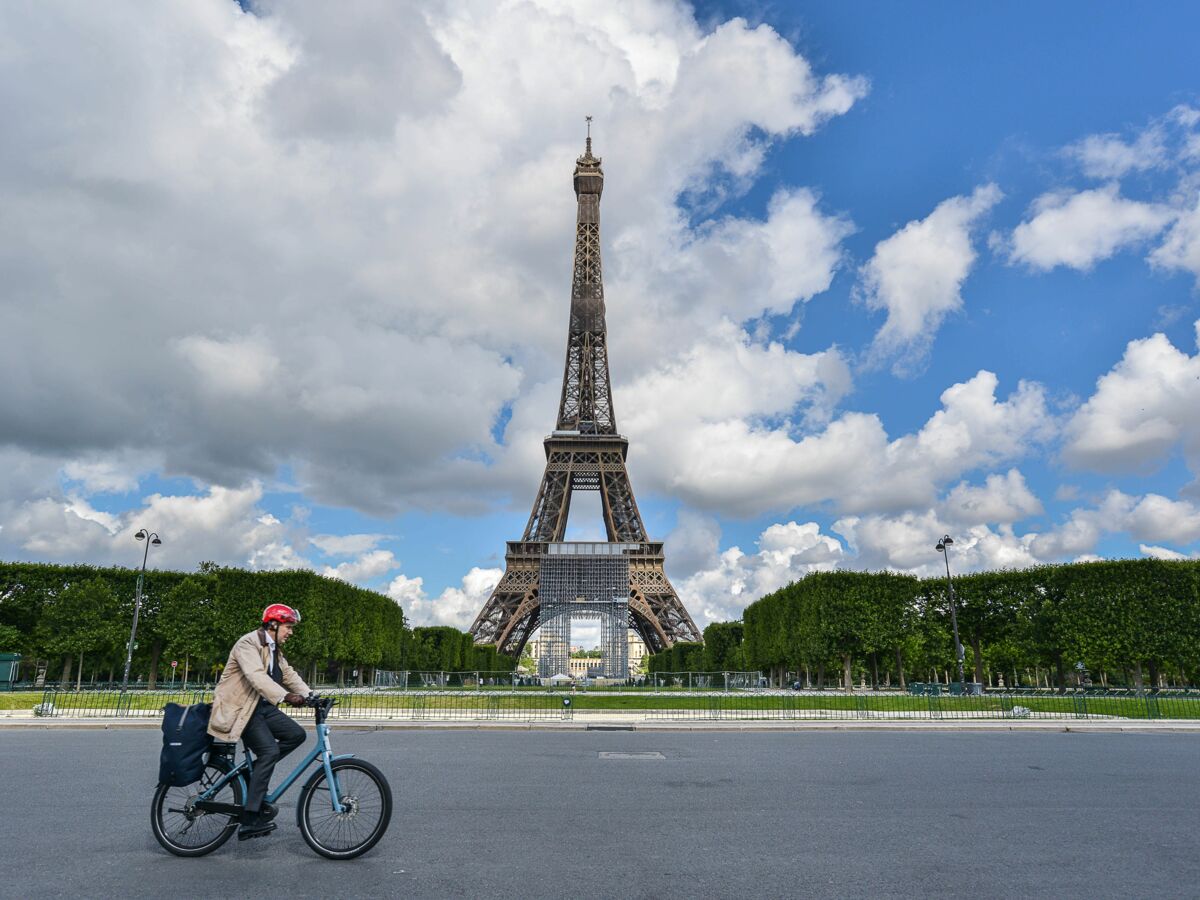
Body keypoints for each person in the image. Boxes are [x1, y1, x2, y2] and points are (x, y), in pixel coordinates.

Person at [208, 603, 311, 840]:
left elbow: (289, 675)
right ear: (273, 625)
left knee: (296, 735)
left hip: (261, 707)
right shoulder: (248, 643)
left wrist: (311, 695)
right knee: (269, 752)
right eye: (288, 626)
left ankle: (252, 774)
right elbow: (256, 676)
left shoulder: (274, 650)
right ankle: (250, 818)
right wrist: (286, 696)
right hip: (243, 708)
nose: (291, 631)